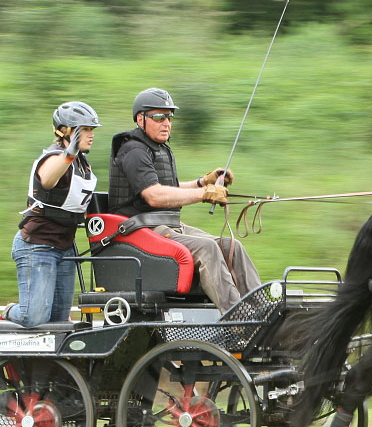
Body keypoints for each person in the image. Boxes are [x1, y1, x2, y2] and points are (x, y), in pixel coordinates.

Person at [108, 87, 261, 313]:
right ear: (140, 119)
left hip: (164, 225)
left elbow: (168, 188)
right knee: (207, 248)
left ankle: (263, 311)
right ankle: (239, 319)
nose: (166, 123)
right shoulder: (133, 150)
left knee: (232, 246)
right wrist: (203, 195)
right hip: (139, 229)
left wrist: (203, 182)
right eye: (158, 117)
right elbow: (154, 194)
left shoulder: (158, 149)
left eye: (169, 117)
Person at [6, 101, 101, 327]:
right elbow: (48, 179)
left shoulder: (82, 164)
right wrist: (70, 153)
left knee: (58, 321)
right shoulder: (55, 157)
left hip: (65, 248)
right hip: (37, 246)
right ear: (67, 131)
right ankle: (10, 310)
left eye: (92, 130)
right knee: (34, 317)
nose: (91, 135)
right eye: (85, 129)